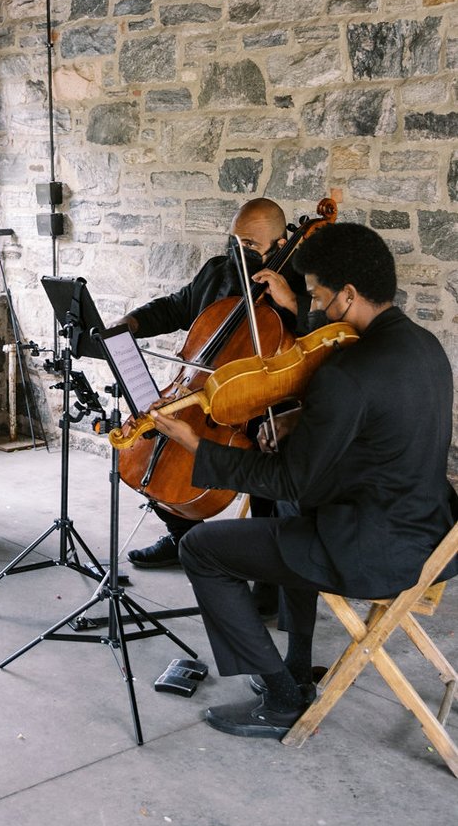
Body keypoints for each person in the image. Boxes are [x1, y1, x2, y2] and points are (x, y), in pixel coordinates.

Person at [146, 221, 458, 739]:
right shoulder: (425, 346)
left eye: (317, 295)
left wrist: (197, 445)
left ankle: (282, 698)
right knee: (292, 513)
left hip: (375, 552)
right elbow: (378, 434)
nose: (312, 306)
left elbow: (287, 479)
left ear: (349, 294)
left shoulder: (348, 372)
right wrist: (298, 424)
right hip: (429, 531)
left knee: (202, 547)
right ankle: (297, 664)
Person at [114, 198, 309, 570]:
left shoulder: (301, 285)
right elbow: (175, 306)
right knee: (154, 438)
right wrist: (131, 324)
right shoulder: (219, 272)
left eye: (251, 246)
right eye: (235, 242)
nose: (240, 252)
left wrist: (294, 307)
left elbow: (321, 342)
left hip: (268, 405)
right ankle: (184, 538)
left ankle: (270, 576)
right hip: (202, 392)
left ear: (281, 245)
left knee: (268, 463)